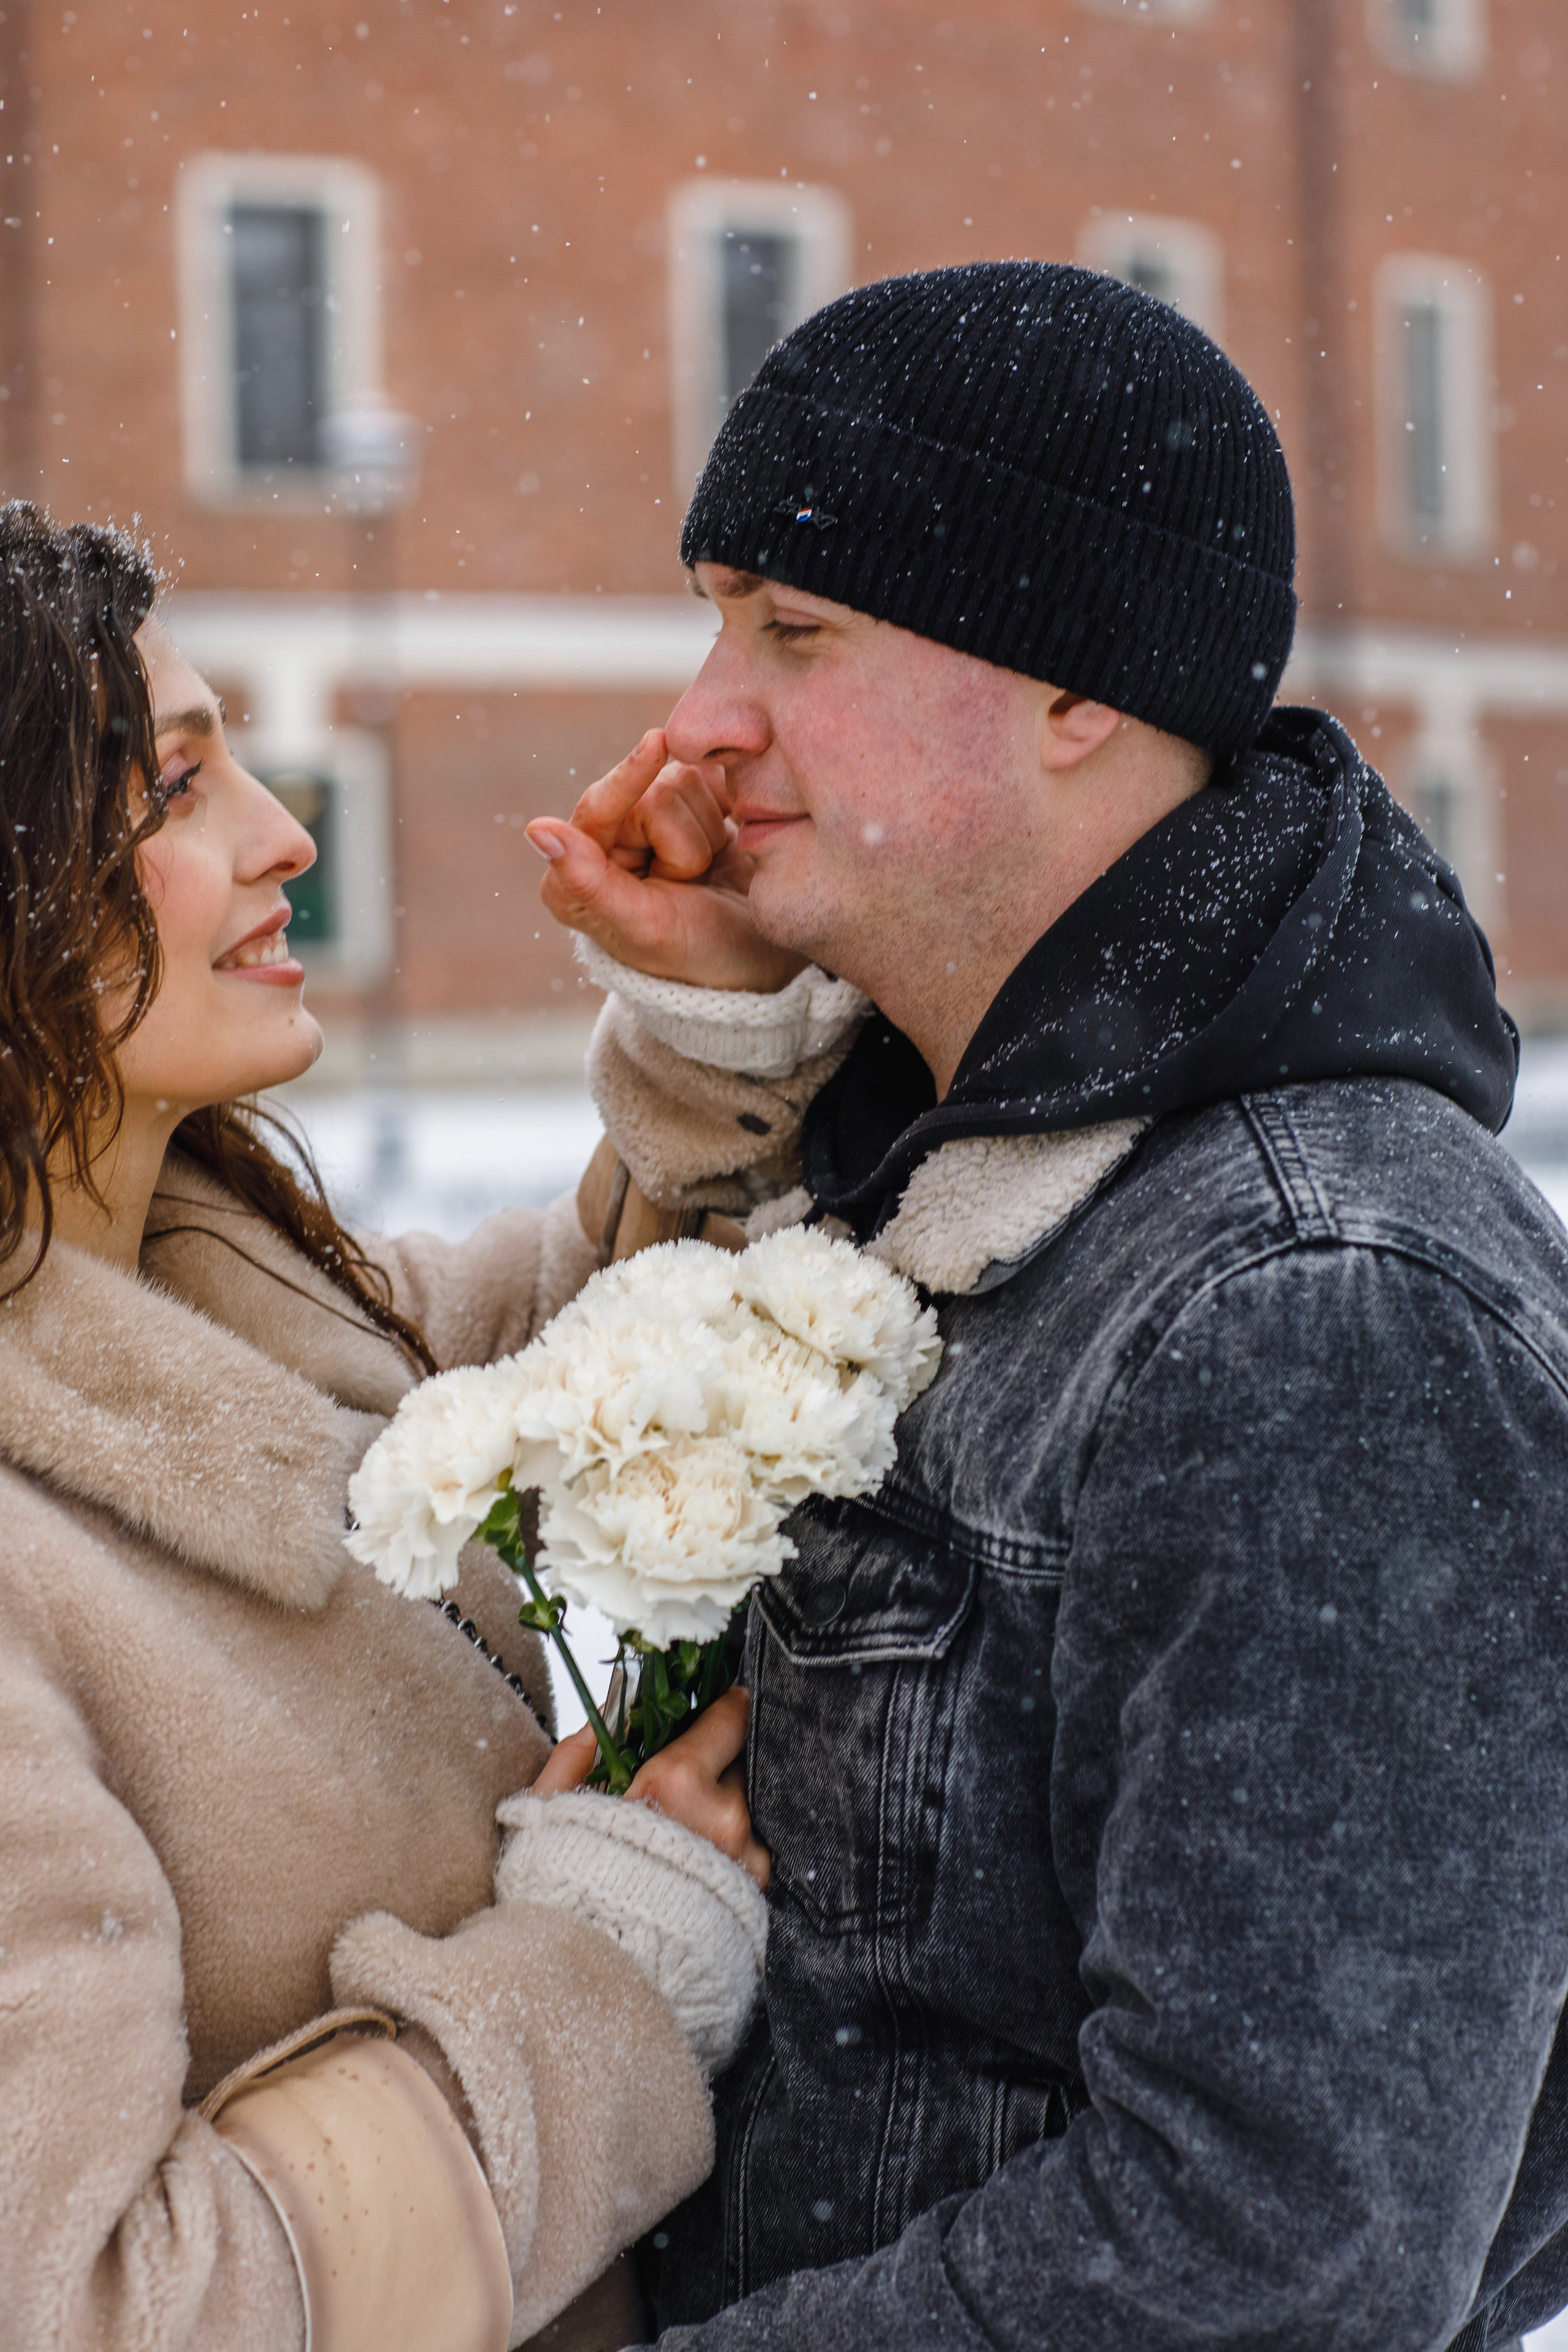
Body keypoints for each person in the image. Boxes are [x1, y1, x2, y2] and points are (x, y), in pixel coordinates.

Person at [531, 264, 1568, 2352]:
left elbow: (1269, 2263)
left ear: (1078, 687)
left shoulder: (1312, 1303)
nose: (705, 712)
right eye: (718, 617)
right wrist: (721, 1041)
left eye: (794, 633)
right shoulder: (949, 1178)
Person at [0, 502, 778, 2352]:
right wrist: (596, 1980)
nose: (287, 834)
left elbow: (559, 1353)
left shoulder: (224, 1283)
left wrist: (708, 1035)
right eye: (177, 789)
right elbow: (103, 2314)